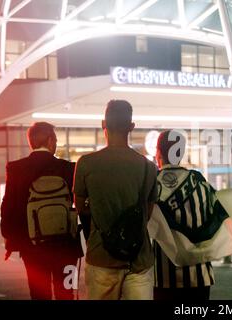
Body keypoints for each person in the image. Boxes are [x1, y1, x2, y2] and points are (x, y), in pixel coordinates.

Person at [73, 100, 158, 300]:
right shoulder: (148, 167)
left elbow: (80, 208)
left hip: (101, 256)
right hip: (139, 258)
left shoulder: (86, 164)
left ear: (104, 124)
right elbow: (148, 211)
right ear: (131, 127)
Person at [0, 122, 82, 300]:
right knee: (67, 293)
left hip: (32, 248)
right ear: (51, 141)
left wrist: (11, 239)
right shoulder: (69, 168)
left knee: (39, 294)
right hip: (67, 247)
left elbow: (8, 207)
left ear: (31, 143)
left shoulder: (16, 168)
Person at [153, 130, 223, 301]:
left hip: (163, 277)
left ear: (158, 153)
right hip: (199, 274)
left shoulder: (151, 184)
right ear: (181, 153)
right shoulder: (199, 181)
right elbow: (215, 219)